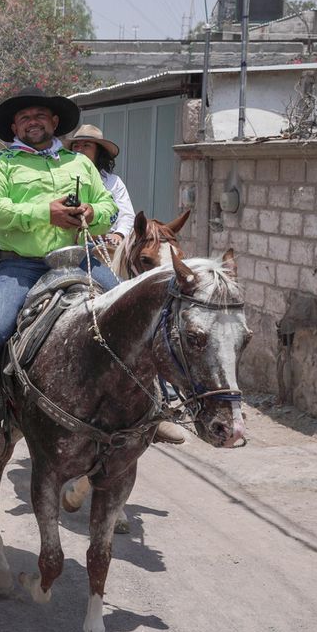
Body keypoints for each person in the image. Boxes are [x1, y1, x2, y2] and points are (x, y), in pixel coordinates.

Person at [0, 88, 119, 455]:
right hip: (21, 264)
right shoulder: (1, 163)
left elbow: (109, 207)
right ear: (14, 127)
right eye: (24, 118)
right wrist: (44, 213)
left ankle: (153, 404)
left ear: (54, 122)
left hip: (79, 258)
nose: (32, 122)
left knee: (133, 312)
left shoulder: (79, 163)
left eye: (39, 115)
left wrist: (92, 213)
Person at [66, 123, 186, 446]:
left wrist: (118, 234)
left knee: (129, 312)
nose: (80, 151)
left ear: (98, 152)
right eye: (76, 146)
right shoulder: (62, 174)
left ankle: (158, 405)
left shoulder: (112, 183)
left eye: (86, 146)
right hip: (66, 248)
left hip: (105, 249)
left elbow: (126, 215)